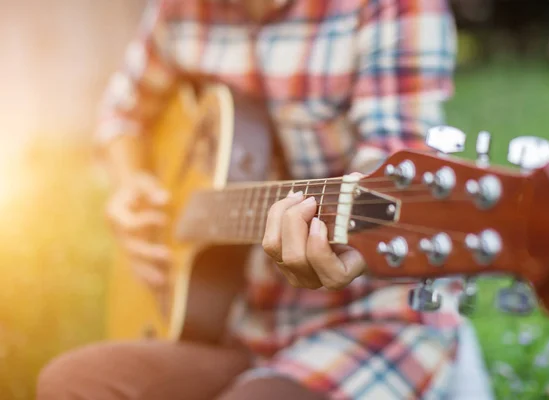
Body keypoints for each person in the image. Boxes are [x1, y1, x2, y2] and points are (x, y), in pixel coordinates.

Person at [37, 0, 493, 399]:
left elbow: (393, 163)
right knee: (69, 383)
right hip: (230, 320)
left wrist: (351, 240)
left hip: (367, 322)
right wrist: (130, 184)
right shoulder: (179, 7)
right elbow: (123, 112)